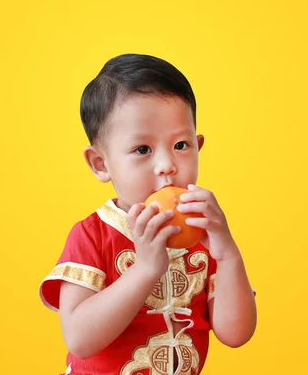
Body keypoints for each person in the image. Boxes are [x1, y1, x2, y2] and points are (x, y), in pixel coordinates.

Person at [39, 53, 257, 375]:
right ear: (101, 163)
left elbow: (236, 333)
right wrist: (144, 270)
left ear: (198, 145)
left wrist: (227, 256)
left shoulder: (205, 234)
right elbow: (79, 339)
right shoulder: (92, 235)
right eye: (142, 150)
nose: (167, 164)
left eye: (181, 145)